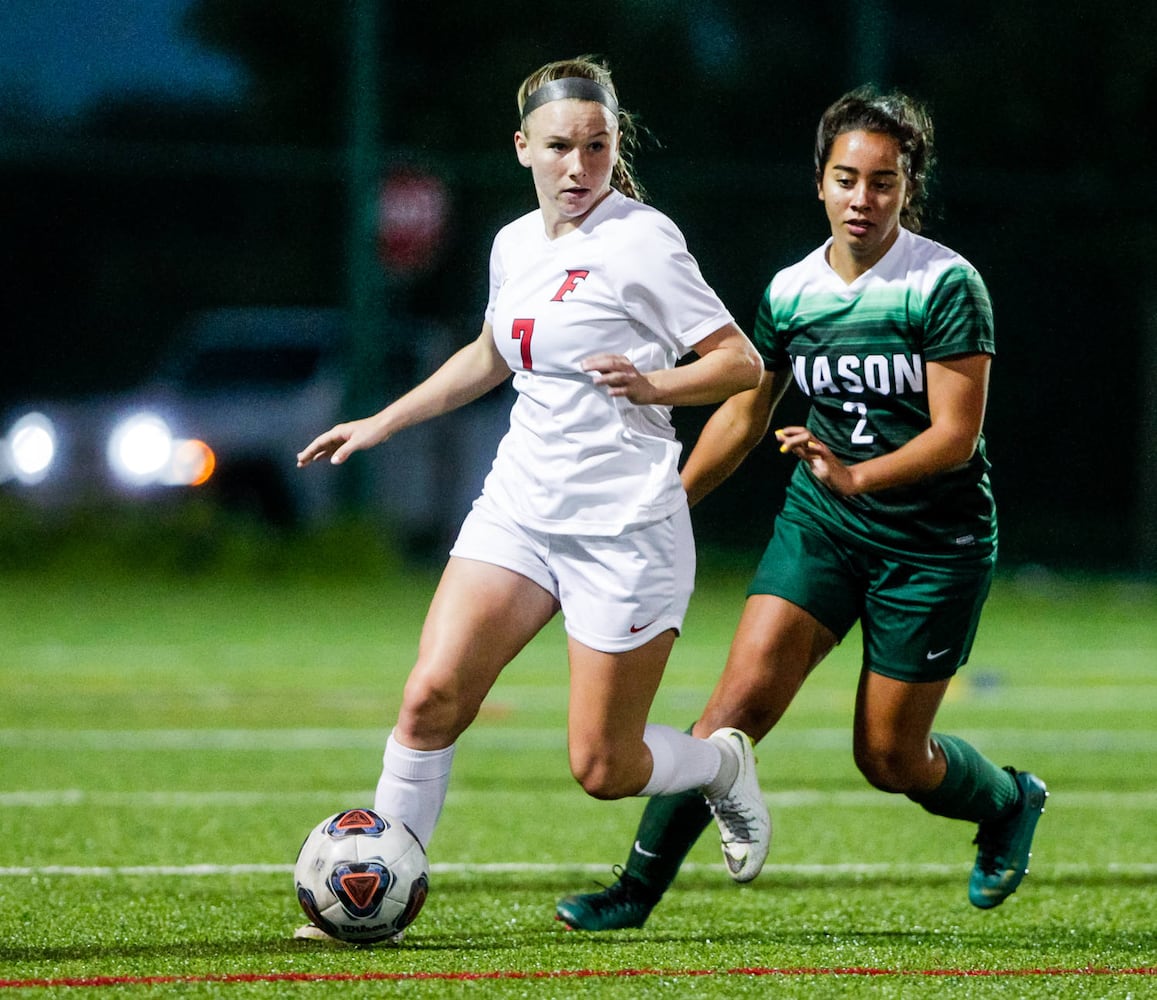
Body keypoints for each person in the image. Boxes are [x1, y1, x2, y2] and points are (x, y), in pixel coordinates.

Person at [294, 56, 769, 940]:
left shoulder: (643, 240)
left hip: (623, 529)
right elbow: (488, 353)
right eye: (559, 147)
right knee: (431, 696)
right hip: (519, 508)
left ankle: (716, 767)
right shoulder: (513, 243)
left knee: (602, 765)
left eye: (597, 146)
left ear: (614, 145)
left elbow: (741, 364)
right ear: (523, 148)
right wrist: (382, 421)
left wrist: (656, 385)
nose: (579, 166)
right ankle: (372, 902)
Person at [555, 85, 1048, 932]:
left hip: (932, 543)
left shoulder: (943, 283)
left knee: (890, 757)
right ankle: (631, 891)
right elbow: (746, 412)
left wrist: (858, 477)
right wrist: (666, 501)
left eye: (884, 182)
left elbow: (955, 437)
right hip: (823, 526)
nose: (863, 199)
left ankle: (1007, 801)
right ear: (819, 182)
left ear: (906, 187)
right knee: (732, 711)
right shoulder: (790, 290)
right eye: (847, 178)